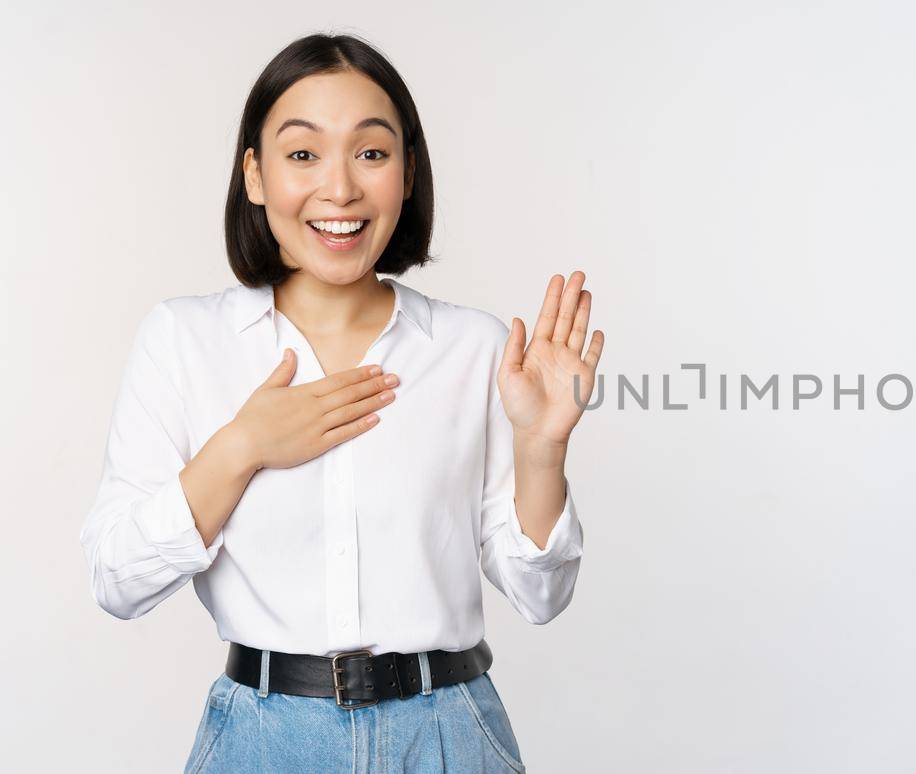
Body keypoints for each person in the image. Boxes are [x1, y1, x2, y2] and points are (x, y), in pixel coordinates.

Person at [77, 32, 604, 773]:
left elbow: (540, 597)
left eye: (371, 152)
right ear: (255, 175)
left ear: (408, 172)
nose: (341, 189)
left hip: (449, 735)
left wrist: (542, 448)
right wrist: (243, 447)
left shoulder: (474, 348)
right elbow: (117, 579)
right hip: (262, 741)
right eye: (302, 155)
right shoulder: (183, 340)